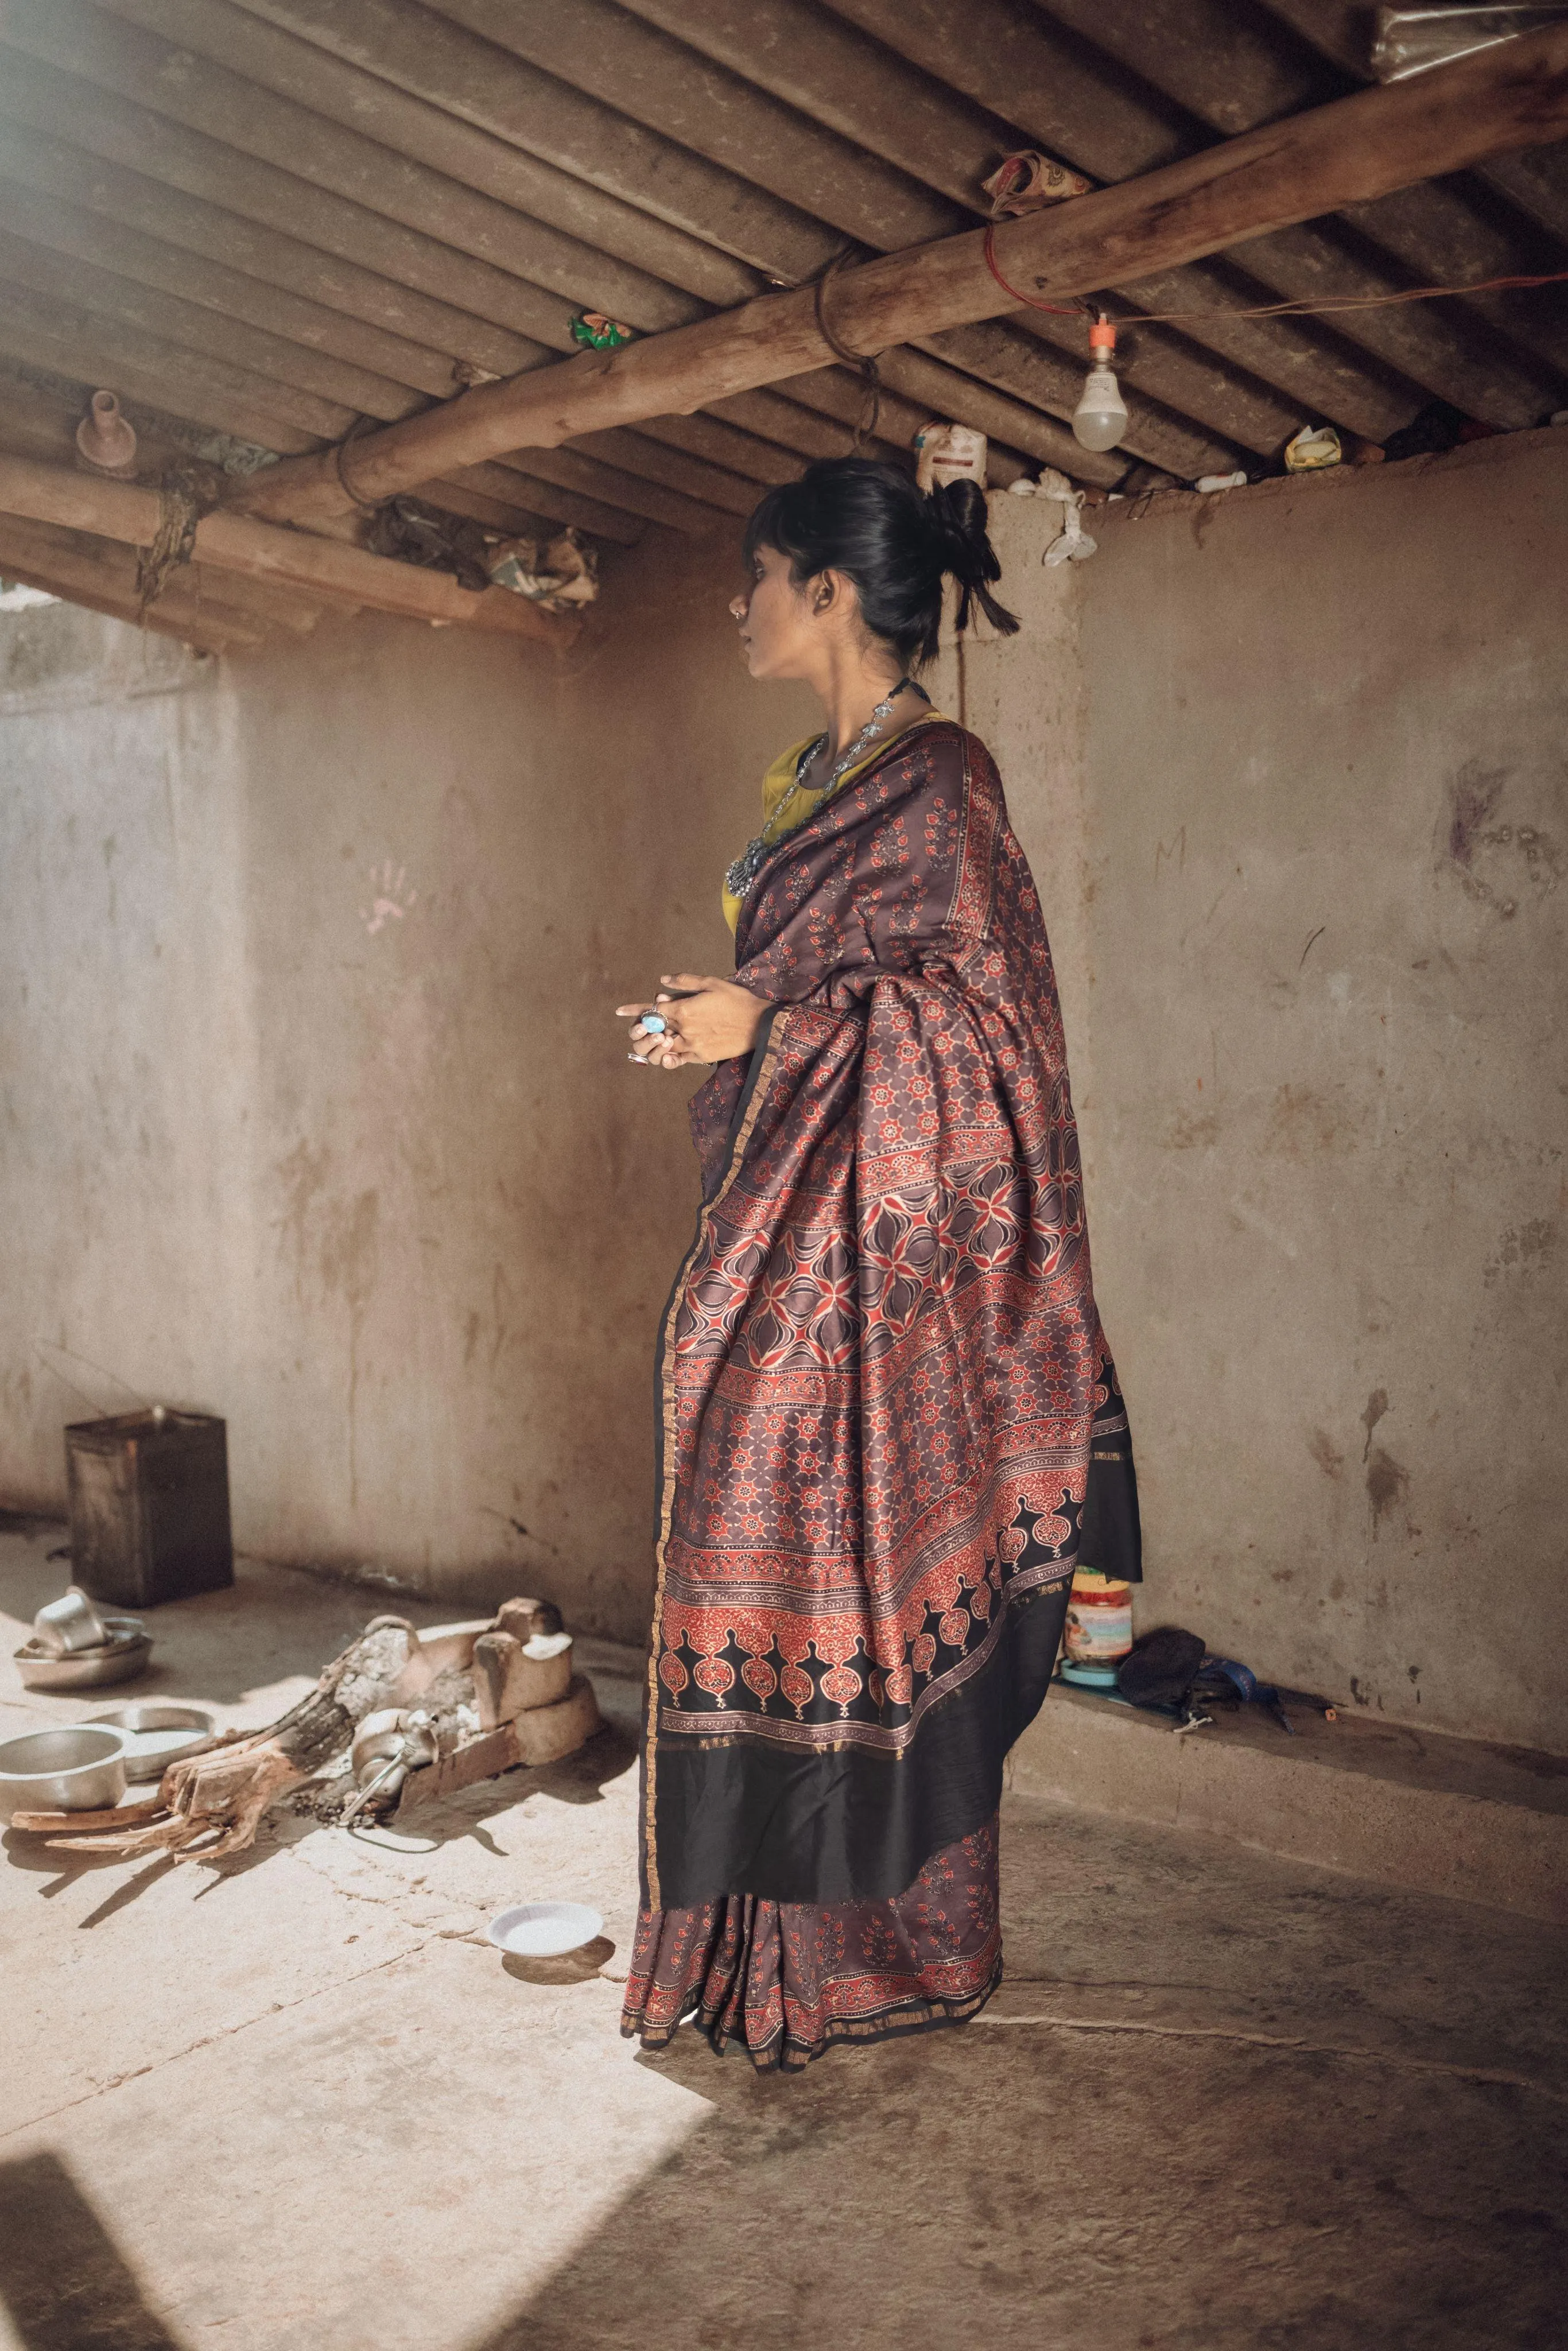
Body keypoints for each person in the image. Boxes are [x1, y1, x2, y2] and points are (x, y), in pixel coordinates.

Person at [614, 456, 1139, 2072]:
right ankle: (747, 1954)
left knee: (857, 1589)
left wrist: (770, 1018)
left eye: (758, 577)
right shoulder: (812, 781)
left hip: (894, 1289)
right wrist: (729, 1022)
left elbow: (989, 1039)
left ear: (827, 592)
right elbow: (835, 994)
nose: (738, 606)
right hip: (784, 1234)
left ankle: (872, 1953)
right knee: (747, 1579)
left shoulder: (942, 779)